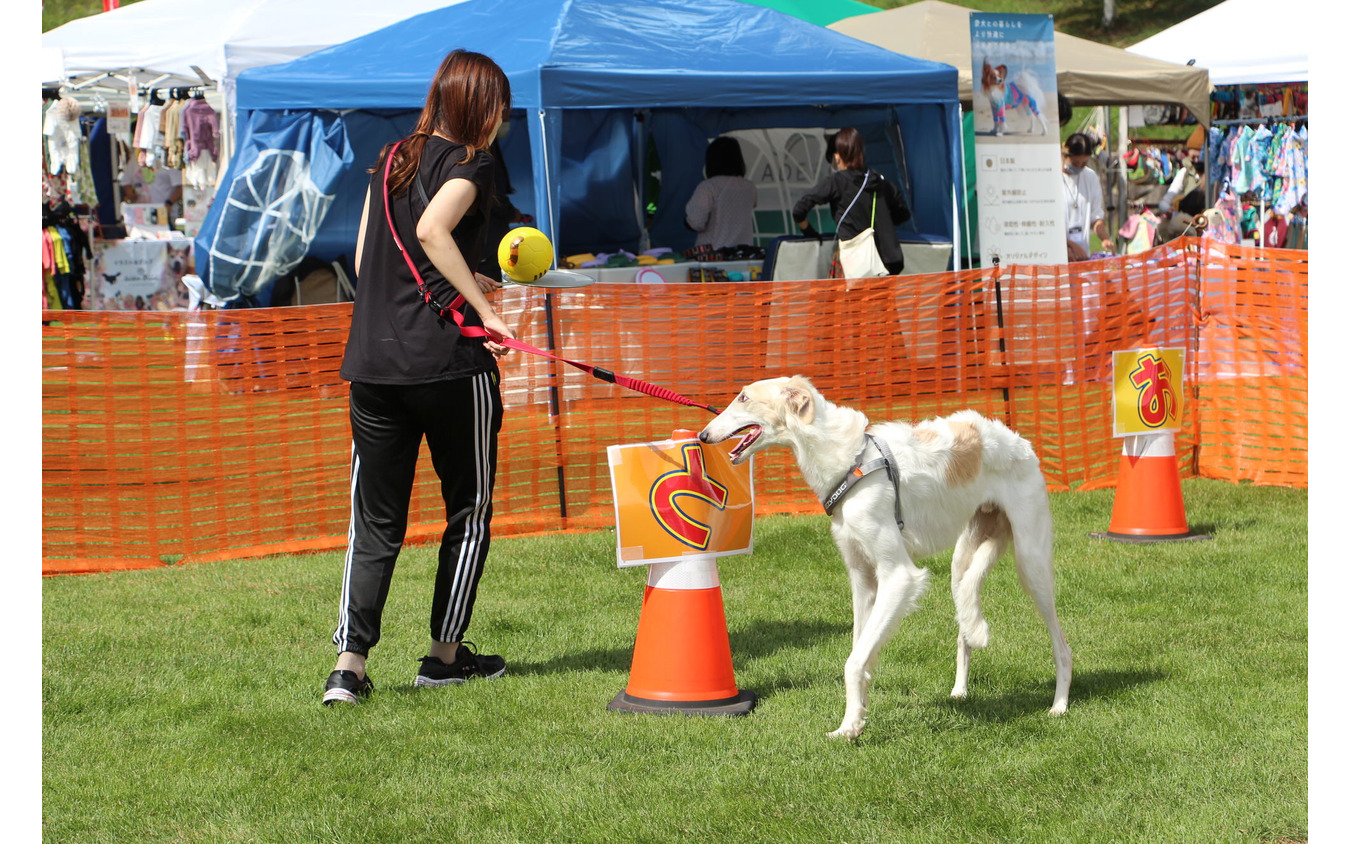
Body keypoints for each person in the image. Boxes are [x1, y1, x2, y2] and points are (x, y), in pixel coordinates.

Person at [323, 49, 518, 706]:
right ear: (485, 108)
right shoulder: (472, 162)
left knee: (374, 518)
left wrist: (461, 278)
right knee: (469, 510)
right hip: (448, 365)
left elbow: (363, 255)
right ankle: (443, 655)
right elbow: (435, 229)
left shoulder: (390, 159)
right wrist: (487, 309)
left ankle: (348, 668)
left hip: (372, 366)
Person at [791, 127, 910, 276]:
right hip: (888, 265)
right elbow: (904, 213)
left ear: (837, 156)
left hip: (857, 268)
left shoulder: (836, 182)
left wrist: (809, 232)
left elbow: (799, 209)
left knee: (853, 299)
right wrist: (883, 224)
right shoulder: (879, 181)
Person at [684, 136, 758, 250]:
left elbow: (696, 222)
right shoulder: (750, 187)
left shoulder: (708, 187)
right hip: (744, 253)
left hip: (715, 255)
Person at [1062, 132, 1113, 261]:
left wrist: (1105, 238)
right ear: (1064, 155)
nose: (1079, 166)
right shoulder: (1050, 178)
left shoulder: (1090, 177)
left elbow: (1096, 218)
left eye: (1083, 163)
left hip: (1081, 256)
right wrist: (1069, 245)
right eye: (1075, 162)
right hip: (1058, 255)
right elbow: (1047, 226)